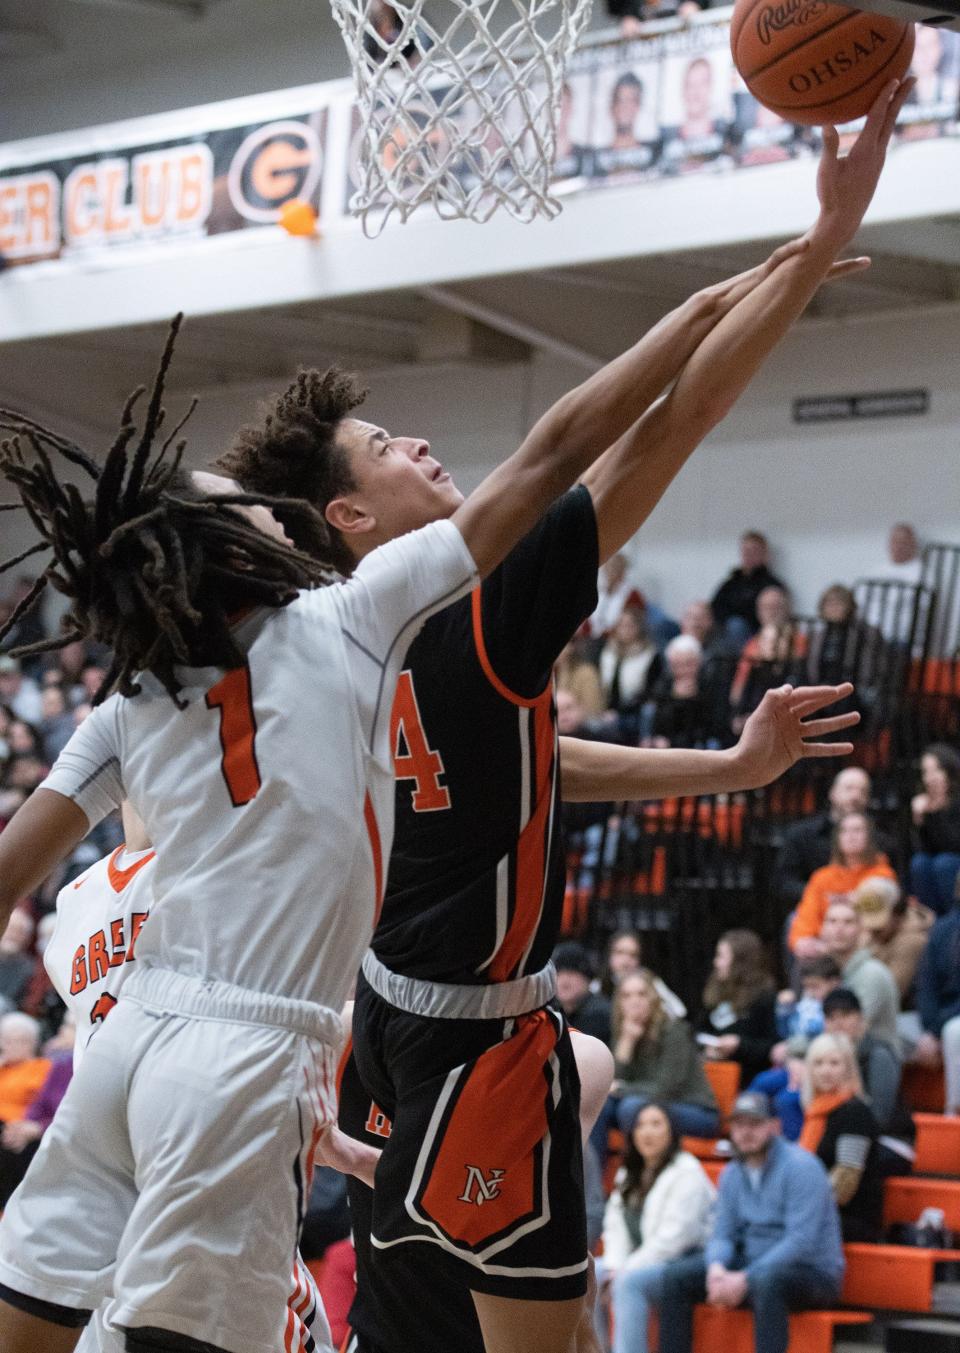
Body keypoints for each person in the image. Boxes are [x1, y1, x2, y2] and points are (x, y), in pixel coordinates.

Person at [223, 87, 905, 1353]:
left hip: (388, 1024)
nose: (417, 441)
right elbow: (666, 423)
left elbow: (528, 763)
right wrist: (808, 253)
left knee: (431, 1329)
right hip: (482, 1044)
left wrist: (733, 764)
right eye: (383, 445)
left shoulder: (328, 644)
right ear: (352, 522)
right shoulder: (475, 610)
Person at [0, 297, 651, 1353]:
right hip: (246, 1048)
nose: (271, 512)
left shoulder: (130, 697)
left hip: (129, 1045)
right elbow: (555, 454)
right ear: (223, 551)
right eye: (246, 509)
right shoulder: (347, 616)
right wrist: (729, 302)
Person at [656, 1090, 844, 1353]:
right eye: (739, 1125)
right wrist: (717, 1269)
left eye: (755, 1124)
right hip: (755, 1267)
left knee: (766, 1281)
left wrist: (746, 1277)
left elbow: (801, 1240)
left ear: (774, 1127)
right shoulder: (732, 1173)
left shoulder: (802, 1167)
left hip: (812, 1273)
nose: (746, 1132)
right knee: (676, 1277)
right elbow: (722, 1233)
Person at [601, 1104, 715, 1353]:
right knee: (590, 1275)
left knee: (628, 1283)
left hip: (687, 1261)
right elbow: (615, 1226)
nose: (647, 1132)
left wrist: (623, 1271)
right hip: (644, 1259)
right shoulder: (629, 1171)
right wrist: (613, 1266)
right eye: (640, 1125)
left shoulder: (688, 1172)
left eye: (656, 1124)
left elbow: (674, 1240)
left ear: (672, 1132)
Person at [606, 970, 720, 1140]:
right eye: (626, 996)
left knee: (631, 1108)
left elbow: (666, 1088)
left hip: (695, 1110)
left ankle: (635, 1166)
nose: (634, 1001)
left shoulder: (675, 1030)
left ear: (653, 999)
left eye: (642, 994)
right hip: (648, 1103)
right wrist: (627, 1042)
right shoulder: (624, 1032)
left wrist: (622, 1089)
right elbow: (611, 1084)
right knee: (602, 1106)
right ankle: (590, 1166)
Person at [798, 1033, 883, 1241]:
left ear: (848, 1068)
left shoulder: (855, 1113)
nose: (825, 1071)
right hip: (817, 1211)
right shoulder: (815, 1112)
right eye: (818, 1063)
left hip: (849, 1217)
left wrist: (798, 1207)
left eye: (834, 1063)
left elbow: (845, 1182)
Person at [822, 987, 914, 1175]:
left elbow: (880, 1117)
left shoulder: (878, 1055)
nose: (838, 1023)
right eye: (831, 1018)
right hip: (850, 1136)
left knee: (833, 1155)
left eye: (846, 1015)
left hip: (891, 1141)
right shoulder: (825, 1057)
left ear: (860, 1018)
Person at [788, 811, 896, 957]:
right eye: (845, 831)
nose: (851, 836)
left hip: (866, 948)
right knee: (795, 930)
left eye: (857, 830)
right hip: (823, 945)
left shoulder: (882, 875)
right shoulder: (822, 877)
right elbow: (807, 914)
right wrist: (802, 940)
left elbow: (879, 925)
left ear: (870, 838)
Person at [775, 766, 874, 909]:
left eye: (862, 791)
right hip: (813, 906)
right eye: (849, 788)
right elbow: (783, 883)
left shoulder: (878, 839)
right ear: (832, 793)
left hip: (864, 908)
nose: (855, 796)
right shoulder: (801, 834)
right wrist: (822, 895)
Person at [820, 899, 901, 1052]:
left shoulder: (872, 973)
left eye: (848, 922)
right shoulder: (824, 969)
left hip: (871, 1060)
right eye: (832, 921)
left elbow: (851, 1032)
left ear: (862, 930)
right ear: (822, 928)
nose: (839, 929)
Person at [697, 930, 777, 1084]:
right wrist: (708, 1047)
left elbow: (771, 1046)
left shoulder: (764, 997)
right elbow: (700, 1030)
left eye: (721, 956)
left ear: (740, 961)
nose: (716, 963)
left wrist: (739, 1045)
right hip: (715, 1073)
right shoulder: (715, 992)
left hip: (749, 1077)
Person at [912, 883, 960, 1115]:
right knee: (888, 1032)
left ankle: (953, 1113)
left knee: (954, 1032)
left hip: (950, 1019)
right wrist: (929, 1028)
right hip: (937, 1017)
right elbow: (926, 982)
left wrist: (936, 1029)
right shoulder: (943, 928)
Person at [730, 586, 807, 729]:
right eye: (766, 607)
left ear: (786, 609)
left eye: (776, 606)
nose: (771, 612)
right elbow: (738, 691)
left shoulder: (799, 642)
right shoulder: (752, 646)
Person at [852, 874, 933, 1002]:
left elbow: (891, 992)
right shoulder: (868, 932)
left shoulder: (913, 941)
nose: (871, 930)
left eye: (878, 927)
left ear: (898, 914)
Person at [709, 531, 784, 647]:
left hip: (758, 635)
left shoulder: (771, 585)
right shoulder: (731, 582)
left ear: (764, 554)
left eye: (754, 551)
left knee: (736, 625)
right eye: (746, 551)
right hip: (726, 632)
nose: (749, 555)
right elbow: (715, 607)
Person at [910, 742, 960, 915]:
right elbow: (921, 850)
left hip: (952, 862)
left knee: (944, 863)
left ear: (949, 770)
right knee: (919, 863)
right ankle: (931, 920)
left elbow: (954, 844)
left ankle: (953, 918)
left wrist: (935, 814)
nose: (930, 777)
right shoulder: (922, 804)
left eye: (936, 770)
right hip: (937, 864)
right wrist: (920, 820)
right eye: (926, 772)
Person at [599, 607, 664, 739]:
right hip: (606, 710)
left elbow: (650, 691)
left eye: (629, 625)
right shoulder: (607, 651)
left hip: (635, 712)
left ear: (639, 628)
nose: (624, 630)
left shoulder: (650, 655)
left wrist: (620, 713)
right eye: (621, 625)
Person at [599, 930, 685, 1018]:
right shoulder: (598, 986)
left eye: (633, 955)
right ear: (609, 955)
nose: (625, 961)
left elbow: (678, 1011)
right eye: (620, 952)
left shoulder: (650, 981)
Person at [555, 942, 613, 1044]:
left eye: (571, 973)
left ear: (587, 980)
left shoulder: (600, 1015)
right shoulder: (551, 1011)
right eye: (559, 973)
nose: (564, 980)